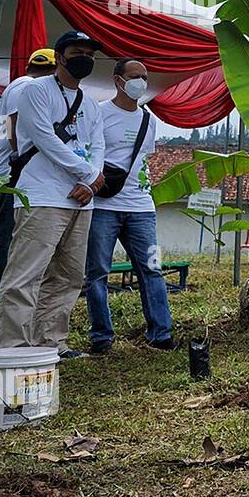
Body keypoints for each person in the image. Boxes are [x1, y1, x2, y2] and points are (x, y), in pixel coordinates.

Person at [0, 31, 106, 358]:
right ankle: (12, 346)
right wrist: (88, 174)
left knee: (69, 276)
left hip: (81, 200)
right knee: (25, 274)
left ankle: (51, 341)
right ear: (59, 57)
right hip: (41, 195)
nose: (83, 57)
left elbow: (97, 145)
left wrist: (92, 182)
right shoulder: (33, 91)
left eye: (89, 52)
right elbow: (44, 139)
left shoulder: (91, 103)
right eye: (76, 51)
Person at [84, 58, 171, 354]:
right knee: (96, 272)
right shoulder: (99, 113)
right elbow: (88, 155)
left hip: (142, 208)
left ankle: (161, 333)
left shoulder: (149, 120)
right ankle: (101, 336)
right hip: (103, 206)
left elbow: (145, 161)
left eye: (145, 76)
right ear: (118, 80)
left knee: (152, 267)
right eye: (135, 76)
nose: (141, 82)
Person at [0, 47, 55, 308]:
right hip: (12, 174)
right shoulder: (27, 88)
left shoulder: (15, 86)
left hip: (4, 170)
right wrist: (21, 158)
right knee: (6, 232)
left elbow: (8, 129)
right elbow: (15, 129)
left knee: (5, 231)